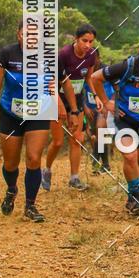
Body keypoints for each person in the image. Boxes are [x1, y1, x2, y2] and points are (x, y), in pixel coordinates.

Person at [0, 21, 50, 222]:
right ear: (19, 35)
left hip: (38, 112)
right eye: (26, 34)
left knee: (34, 158)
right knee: (11, 163)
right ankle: (11, 189)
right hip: (10, 113)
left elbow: (55, 84)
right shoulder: (6, 54)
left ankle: (30, 206)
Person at [91, 36, 139, 215]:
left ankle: (133, 194)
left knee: (138, 160)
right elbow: (95, 77)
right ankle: (136, 196)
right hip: (123, 119)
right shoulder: (127, 67)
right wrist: (106, 102)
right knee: (130, 156)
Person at [42, 23, 100, 192]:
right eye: (84, 41)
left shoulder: (91, 55)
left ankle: (74, 178)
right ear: (76, 39)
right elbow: (52, 82)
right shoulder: (63, 55)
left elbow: (88, 78)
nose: (88, 45)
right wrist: (59, 106)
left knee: (77, 139)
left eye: (91, 41)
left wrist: (95, 96)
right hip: (58, 100)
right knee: (58, 141)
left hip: (77, 99)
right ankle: (46, 170)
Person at [84, 74, 114, 174]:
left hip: (104, 108)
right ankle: (104, 164)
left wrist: (108, 104)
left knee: (100, 130)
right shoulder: (86, 75)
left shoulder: (108, 74)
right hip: (91, 110)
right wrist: (85, 107)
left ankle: (97, 161)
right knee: (95, 136)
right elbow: (80, 93)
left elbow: (116, 91)